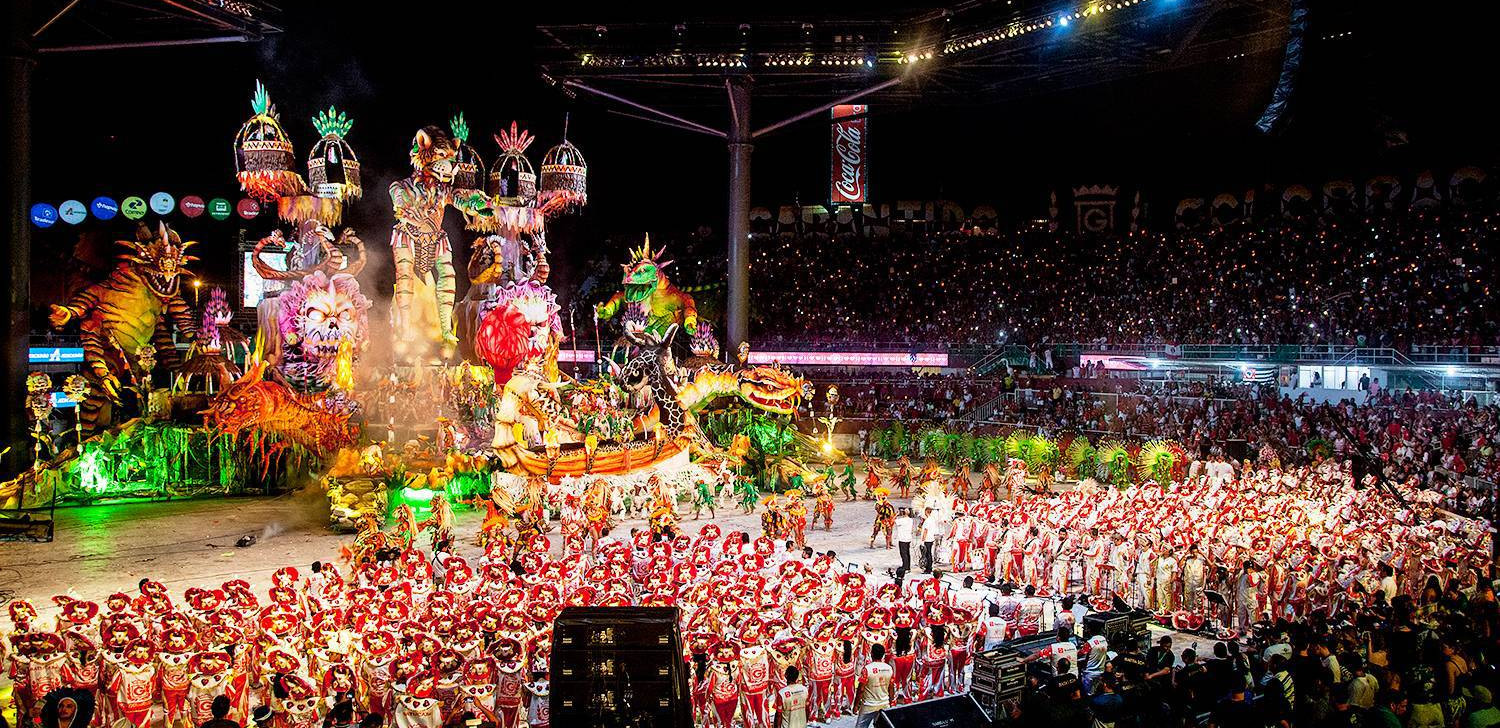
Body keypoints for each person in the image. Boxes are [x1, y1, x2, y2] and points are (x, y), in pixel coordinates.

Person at [854, 644, 893, 728]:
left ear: (871, 654)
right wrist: (891, 701)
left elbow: (861, 689)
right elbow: (891, 687)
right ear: (883, 655)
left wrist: (856, 705)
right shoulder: (889, 668)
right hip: (884, 703)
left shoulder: (867, 669)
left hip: (869, 705)